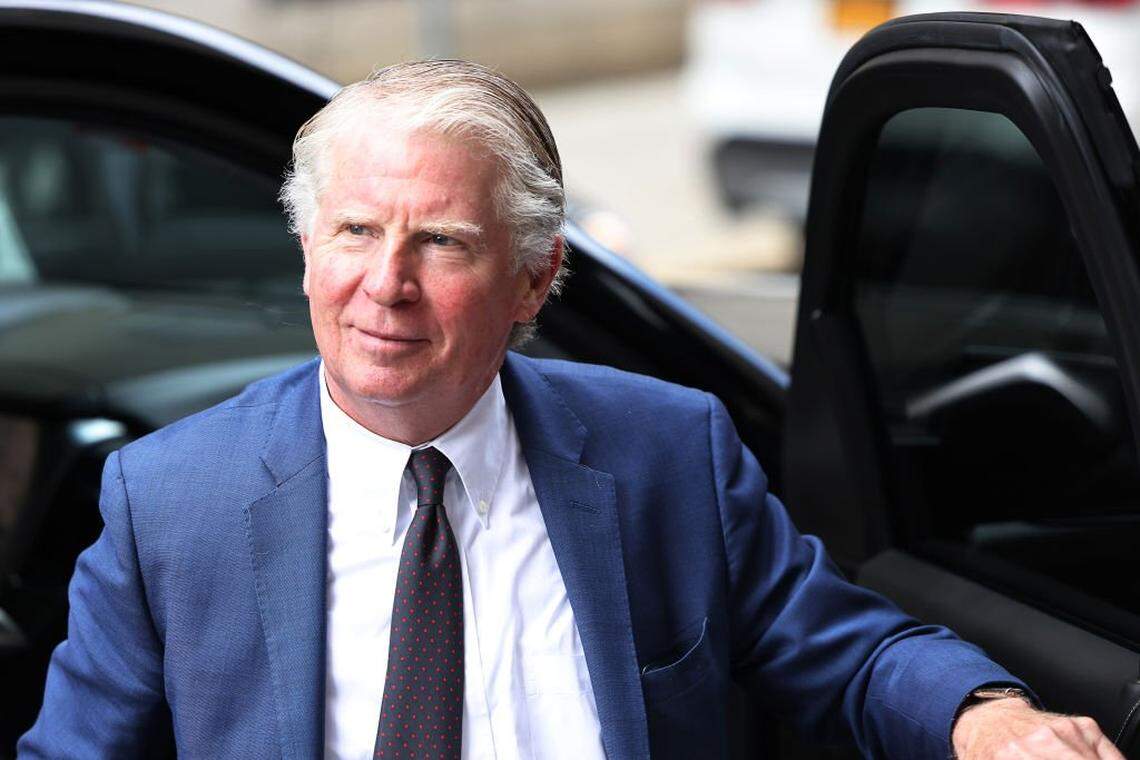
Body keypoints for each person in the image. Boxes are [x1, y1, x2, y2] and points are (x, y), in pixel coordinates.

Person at [19, 60, 1122, 760]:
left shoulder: (665, 453)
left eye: (441, 242)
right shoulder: (171, 500)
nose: (386, 284)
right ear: (307, 251)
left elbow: (850, 655)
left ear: (535, 280)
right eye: (355, 232)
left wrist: (987, 717)